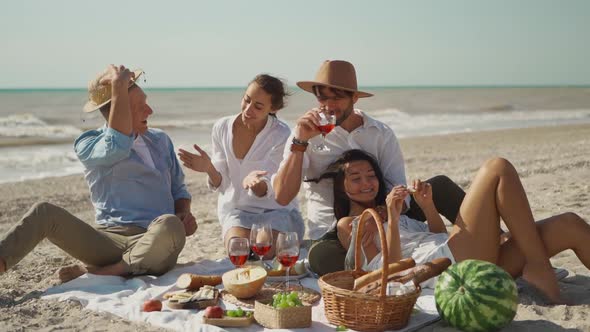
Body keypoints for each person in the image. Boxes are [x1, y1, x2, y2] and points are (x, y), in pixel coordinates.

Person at [0, 65, 197, 282]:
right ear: (118, 109)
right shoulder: (88, 143)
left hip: (155, 241)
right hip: (107, 242)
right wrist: (119, 87)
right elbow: (118, 144)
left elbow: (179, 189)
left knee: (170, 224)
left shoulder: (161, 140)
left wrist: (183, 214)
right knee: (43, 212)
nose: (149, 111)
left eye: (146, 103)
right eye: (140, 106)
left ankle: (100, 272)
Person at [272, 60, 465, 275]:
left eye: (337, 97)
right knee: (321, 257)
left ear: (354, 97)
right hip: (334, 231)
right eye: (322, 97)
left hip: (386, 218)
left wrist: (384, 212)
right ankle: (401, 264)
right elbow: (282, 196)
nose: (329, 105)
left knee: (441, 185)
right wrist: (299, 142)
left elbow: (396, 185)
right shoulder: (304, 136)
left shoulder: (380, 133)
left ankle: (485, 234)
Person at [329, 149, 590, 303]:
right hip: (451, 273)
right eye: (355, 178)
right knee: (496, 168)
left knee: (569, 224)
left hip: (457, 254)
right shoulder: (350, 224)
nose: (366, 182)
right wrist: (393, 223)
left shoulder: (394, 211)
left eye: (371, 175)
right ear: (341, 188)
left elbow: (438, 237)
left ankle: (536, 265)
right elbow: (391, 273)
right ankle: (539, 266)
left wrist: (428, 206)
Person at [178, 74, 303, 256]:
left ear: (273, 108)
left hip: (276, 211)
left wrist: (256, 183)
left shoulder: (281, 134)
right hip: (238, 211)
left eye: (258, 106)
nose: (248, 109)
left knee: (263, 251)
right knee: (239, 253)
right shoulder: (221, 127)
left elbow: (271, 188)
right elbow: (223, 184)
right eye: (247, 100)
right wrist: (208, 168)